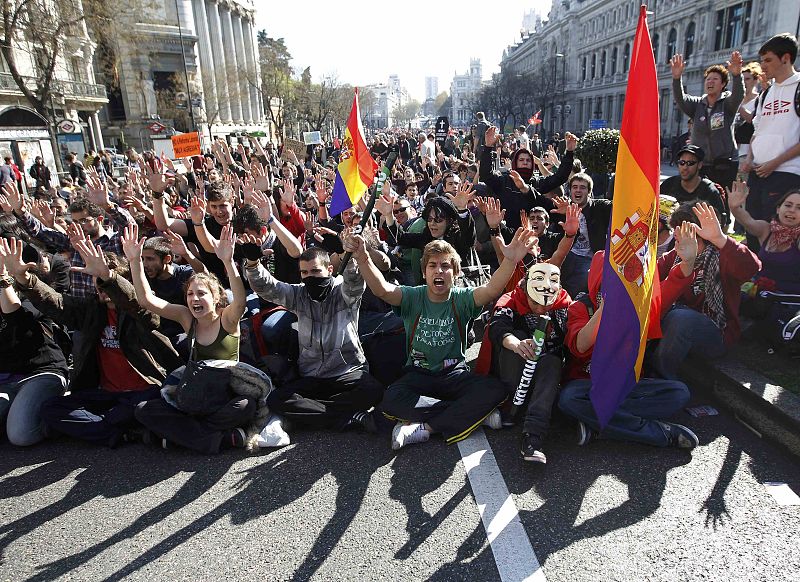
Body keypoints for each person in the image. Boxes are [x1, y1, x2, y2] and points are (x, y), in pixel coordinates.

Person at [349, 227, 537, 450]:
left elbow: (490, 290)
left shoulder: (462, 298)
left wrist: (510, 261)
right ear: (425, 272)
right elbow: (382, 290)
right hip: (418, 375)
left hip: (454, 375)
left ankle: (425, 428)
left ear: (455, 273)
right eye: (433, 265)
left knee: (496, 391)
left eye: (445, 266)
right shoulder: (413, 296)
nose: (439, 271)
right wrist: (362, 257)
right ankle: (471, 413)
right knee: (390, 399)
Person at [4, 237, 182, 446]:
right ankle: (125, 432)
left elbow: (134, 302)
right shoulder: (91, 309)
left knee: (141, 409)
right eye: (96, 280)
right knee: (52, 409)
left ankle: (110, 427)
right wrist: (24, 279)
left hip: (145, 391)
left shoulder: (142, 311)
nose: (100, 286)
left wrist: (108, 276)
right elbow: (57, 304)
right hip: (106, 394)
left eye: (104, 281)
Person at [124, 223, 255, 453]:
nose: (194, 298)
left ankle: (180, 437)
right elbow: (145, 301)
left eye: (201, 294)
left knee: (246, 406)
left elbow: (241, 301)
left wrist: (227, 261)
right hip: (193, 395)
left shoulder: (227, 318)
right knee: (143, 409)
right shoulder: (186, 317)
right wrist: (135, 262)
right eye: (190, 294)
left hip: (222, 398)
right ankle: (219, 439)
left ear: (216, 298)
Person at [557, 248, 700, 450]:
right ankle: (659, 433)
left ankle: (599, 425)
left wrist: (688, 261)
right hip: (589, 387)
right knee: (568, 399)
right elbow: (580, 345)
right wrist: (606, 306)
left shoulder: (636, 307)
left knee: (679, 393)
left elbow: (669, 289)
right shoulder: (580, 307)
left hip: (626, 386)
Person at [245, 244, 384, 434]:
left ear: (329, 270)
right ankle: (347, 417)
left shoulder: (343, 293)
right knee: (276, 399)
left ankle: (314, 413)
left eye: (315, 271)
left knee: (373, 390)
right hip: (313, 375)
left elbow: (354, 282)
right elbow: (269, 288)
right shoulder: (298, 294)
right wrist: (253, 264)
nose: (310, 277)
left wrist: (350, 255)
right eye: (305, 273)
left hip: (347, 371)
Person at [654, 201, 761, 379]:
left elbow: (752, 268)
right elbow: (650, 280)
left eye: (687, 230)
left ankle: (660, 379)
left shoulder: (721, 255)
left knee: (680, 317)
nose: (679, 235)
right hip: (674, 330)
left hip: (716, 333)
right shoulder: (675, 254)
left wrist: (720, 239)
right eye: (677, 229)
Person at [481, 262, 572, 463]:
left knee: (552, 362)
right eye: (534, 303)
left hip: (546, 376)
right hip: (513, 370)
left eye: (546, 305)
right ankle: (509, 405)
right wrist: (516, 344)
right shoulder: (511, 300)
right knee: (518, 335)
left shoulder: (566, 304)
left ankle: (533, 437)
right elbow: (497, 327)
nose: (540, 309)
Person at [2, 181, 135, 298]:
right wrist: (21, 212)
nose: (79, 225)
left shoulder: (115, 241)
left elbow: (130, 225)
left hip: (113, 304)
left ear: (99, 219)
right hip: (83, 310)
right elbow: (41, 232)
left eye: (84, 220)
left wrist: (107, 206)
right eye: (75, 221)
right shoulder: (72, 242)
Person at [0, 238, 68, 446]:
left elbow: (15, 316)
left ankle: (57, 413)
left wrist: (2, 279)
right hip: (6, 376)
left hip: (41, 372)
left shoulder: (36, 294)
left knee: (21, 436)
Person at [740, 33, 800, 250]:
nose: (762, 66)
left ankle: (774, 279)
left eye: (768, 60)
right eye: (762, 60)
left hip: (785, 174)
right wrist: (749, 159)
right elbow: (758, 131)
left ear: (785, 58)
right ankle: (753, 278)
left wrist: (774, 163)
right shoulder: (766, 93)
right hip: (758, 173)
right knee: (752, 227)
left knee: (777, 233)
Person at [670, 50, 744, 190]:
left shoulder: (727, 104)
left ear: (722, 84)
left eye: (715, 79)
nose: (710, 81)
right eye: (708, 79)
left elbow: (738, 95)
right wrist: (676, 78)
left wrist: (736, 75)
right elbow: (680, 99)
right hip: (701, 164)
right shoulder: (697, 104)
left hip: (724, 163)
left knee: (722, 203)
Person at [480, 125, 578, 229]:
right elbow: (486, 175)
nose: (525, 163)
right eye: (521, 160)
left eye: (528, 160)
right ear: (515, 163)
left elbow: (560, 177)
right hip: (508, 233)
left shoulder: (537, 183)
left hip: (533, 235)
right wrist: (488, 147)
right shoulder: (504, 180)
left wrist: (569, 152)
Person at [728, 183, 800, 294]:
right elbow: (748, 221)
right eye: (788, 205)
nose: (792, 210)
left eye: (799, 208)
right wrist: (735, 207)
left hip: (789, 302)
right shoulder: (766, 229)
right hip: (760, 295)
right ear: (778, 209)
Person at [552, 173, 613, 298]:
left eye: (582, 187)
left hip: (589, 258)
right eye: (575, 187)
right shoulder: (562, 208)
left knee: (582, 280)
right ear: (570, 191)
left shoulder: (600, 207)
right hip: (567, 254)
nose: (578, 190)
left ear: (589, 192)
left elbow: (619, 206)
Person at [660, 145, 728, 225]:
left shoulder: (710, 191)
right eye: (682, 163)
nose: (685, 167)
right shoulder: (668, 185)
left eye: (690, 163)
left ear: (699, 165)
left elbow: (722, 222)